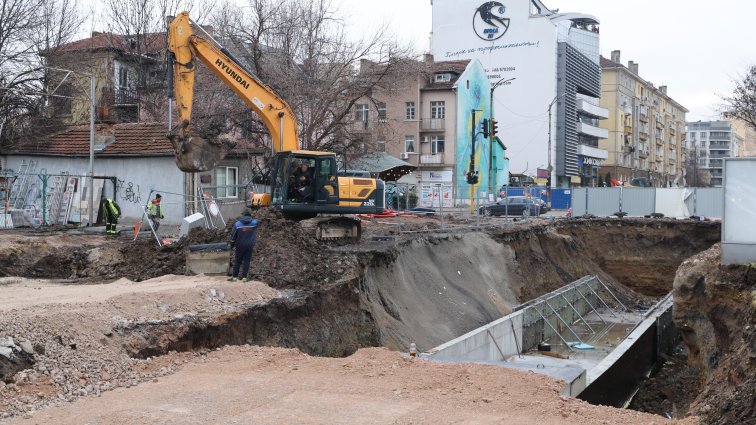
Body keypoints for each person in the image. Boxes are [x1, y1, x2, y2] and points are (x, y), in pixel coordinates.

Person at [229, 210, 259, 282]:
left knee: (237, 261)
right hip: (250, 245)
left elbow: (233, 236)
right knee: (247, 261)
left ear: (243, 216)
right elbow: (258, 221)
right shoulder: (254, 223)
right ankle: (244, 278)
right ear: (249, 216)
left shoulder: (237, 224)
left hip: (240, 245)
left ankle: (234, 277)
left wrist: (232, 245)